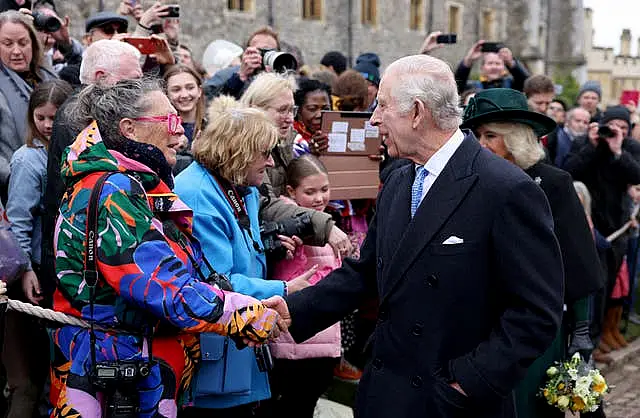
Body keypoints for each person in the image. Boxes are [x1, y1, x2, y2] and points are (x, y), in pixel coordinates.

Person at [268, 54, 565, 418]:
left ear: (417, 112)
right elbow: (366, 273)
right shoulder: (398, 181)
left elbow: (536, 312)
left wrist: (467, 381)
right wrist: (292, 310)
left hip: (450, 403)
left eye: (382, 106)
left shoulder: (505, 190)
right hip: (386, 394)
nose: (373, 119)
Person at [49, 78, 280, 418]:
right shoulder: (115, 189)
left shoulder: (135, 184)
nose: (181, 134)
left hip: (139, 370)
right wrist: (243, 314)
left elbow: (188, 268)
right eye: (170, 122)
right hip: (113, 379)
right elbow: (160, 285)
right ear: (130, 129)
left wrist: (251, 301)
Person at [461, 88, 604, 418]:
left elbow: (579, 262)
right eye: (477, 134)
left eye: (491, 135)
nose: (480, 144)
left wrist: (580, 330)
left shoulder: (553, 184)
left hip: (535, 327)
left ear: (514, 139)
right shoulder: (469, 182)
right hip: (479, 325)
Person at [174, 96, 315, 416]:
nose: (269, 163)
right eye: (264, 154)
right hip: (214, 358)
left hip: (236, 349)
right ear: (238, 153)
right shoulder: (197, 192)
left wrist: (269, 246)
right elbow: (214, 282)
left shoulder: (241, 187)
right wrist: (283, 290)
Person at [40, 39, 144, 303]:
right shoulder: (79, 119)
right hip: (83, 272)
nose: (139, 89)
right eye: (131, 81)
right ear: (101, 77)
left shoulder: (97, 113)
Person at [4, 79, 72, 418]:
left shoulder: (72, 154)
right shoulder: (28, 160)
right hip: (41, 271)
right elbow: (18, 221)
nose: (47, 126)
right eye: (40, 118)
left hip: (66, 268)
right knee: (45, 359)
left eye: (54, 118)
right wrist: (27, 269)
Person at [259, 154, 342, 417]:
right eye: (310, 192)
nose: (319, 198)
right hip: (292, 345)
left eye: (324, 190)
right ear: (290, 192)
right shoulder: (290, 228)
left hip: (322, 343)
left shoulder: (328, 223)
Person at [239, 72, 354, 256]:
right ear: (255, 108)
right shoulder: (245, 148)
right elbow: (266, 205)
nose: (289, 118)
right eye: (282, 110)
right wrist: (324, 227)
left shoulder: (285, 139)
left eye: (291, 110)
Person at [564, 105, 640, 354]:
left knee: (609, 286)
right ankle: (587, 341)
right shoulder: (587, 143)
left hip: (617, 229)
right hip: (588, 227)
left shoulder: (629, 148)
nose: (615, 131)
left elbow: (637, 174)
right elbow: (569, 171)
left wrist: (618, 151)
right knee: (592, 286)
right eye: (612, 126)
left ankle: (598, 341)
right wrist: (594, 145)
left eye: (623, 128)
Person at [0, 10, 57, 203]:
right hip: (14, 191)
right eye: (7, 44)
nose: (16, 51)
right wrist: (20, 177)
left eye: (23, 43)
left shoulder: (48, 76)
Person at [454, 40, 530, 94]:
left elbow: (527, 82)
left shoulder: (512, 86)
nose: (494, 67)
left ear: (504, 67)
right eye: (490, 63)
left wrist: (511, 63)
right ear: (482, 68)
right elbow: (457, 86)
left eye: (498, 63)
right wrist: (469, 60)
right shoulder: (472, 87)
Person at [292, 77, 331, 157]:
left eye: (326, 109)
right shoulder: (291, 140)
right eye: (312, 109)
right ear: (298, 111)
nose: (320, 115)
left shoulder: (336, 137)